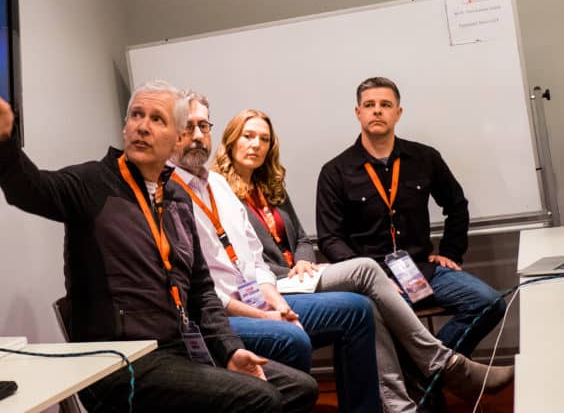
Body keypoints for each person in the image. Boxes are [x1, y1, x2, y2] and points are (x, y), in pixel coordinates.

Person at [0, 78, 318, 413]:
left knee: (301, 388)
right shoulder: (91, 183)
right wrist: (3, 140)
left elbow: (202, 291)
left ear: (177, 139)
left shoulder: (177, 196)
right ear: (125, 127)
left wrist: (230, 349)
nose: (143, 125)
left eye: (157, 119)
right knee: (260, 398)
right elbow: (30, 189)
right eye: (136, 116)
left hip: (178, 350)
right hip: (120, 362)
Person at [210, 103, 515, 411]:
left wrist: (302, 260)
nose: (256, 145)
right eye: (248, 136)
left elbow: (302, 238)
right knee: (367, 270)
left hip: (305, 274)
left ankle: (400, 405)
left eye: (264, 139)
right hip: (271, 284)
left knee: (369, 304)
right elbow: (242, 258)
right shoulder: (218, 190)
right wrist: (289, 271)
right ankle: (441, 362)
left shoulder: (271, 186)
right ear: (231, 140)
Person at [170, 95, 379, 413]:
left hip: (264, 294)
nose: (197, 135)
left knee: (358, 309)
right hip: (222, 314)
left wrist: (278, 303)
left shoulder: (217, 185)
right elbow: (203, 295)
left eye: (203, 125)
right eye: (188, 126)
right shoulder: (166, 194)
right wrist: (268, 315)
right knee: (293, 335)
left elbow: (254, 257)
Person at [315, 77, 506, 359]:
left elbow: (456, 205)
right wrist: (364, 276)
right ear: (358, 113)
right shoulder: (335, 171)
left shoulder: (424, 158)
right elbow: (330, 238)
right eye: (369, 105)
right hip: (372, 279)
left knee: (489, 303)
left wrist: (451, 252)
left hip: (421, 269)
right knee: (373, 329)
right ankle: (431, 373)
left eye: (385, 105)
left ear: (398, 113)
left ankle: (428, 370)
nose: (377, 111)